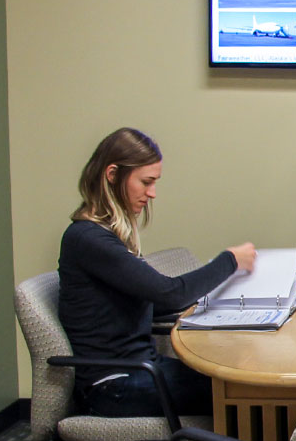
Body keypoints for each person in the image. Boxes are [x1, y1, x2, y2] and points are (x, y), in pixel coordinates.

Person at [57, 127, 257, 419]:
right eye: (146, 182)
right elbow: (170, 293)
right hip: (113, 386)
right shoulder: (87, 239)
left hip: (141, 369)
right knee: (246, 389)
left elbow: (158, 300)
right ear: (112, 175)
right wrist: (230, 260)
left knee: (242, 377)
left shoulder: (104, 238)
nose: (152, 194)